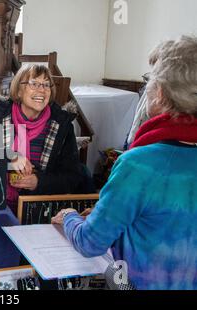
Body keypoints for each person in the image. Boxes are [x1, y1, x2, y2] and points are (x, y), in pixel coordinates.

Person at [52, 35, 197, 290]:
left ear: (160, 94)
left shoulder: (138, 164)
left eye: (149, 80)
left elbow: (90, 242)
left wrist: (69, 216)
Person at [0, 63, 89, 214]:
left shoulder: (62, 126)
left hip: (38, 210)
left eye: (46, 84)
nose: (42, 90)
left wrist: (39, 182)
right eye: (34, 83)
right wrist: (9, 158)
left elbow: (72, 177)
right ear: (18, 90)